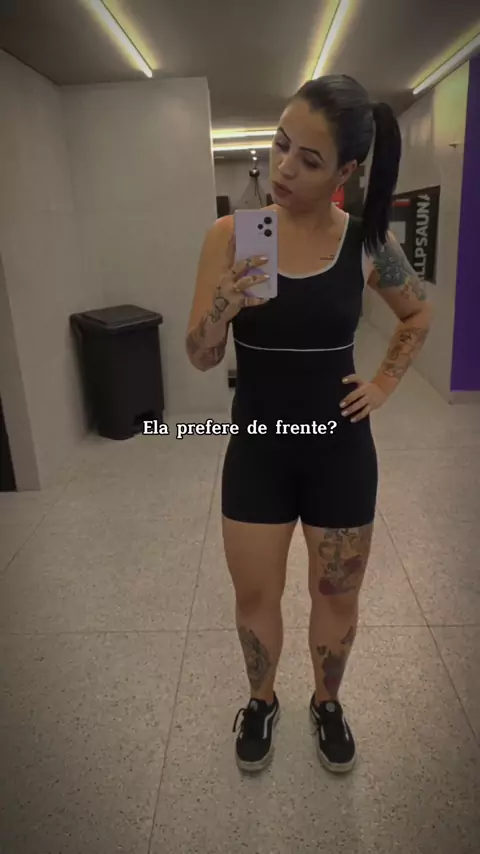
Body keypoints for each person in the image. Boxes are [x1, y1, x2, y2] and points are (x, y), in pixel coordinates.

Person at [186, 75, 433, 775]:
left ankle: (327, 703)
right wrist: (222, 308)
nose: (285, 168)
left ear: (345, 172)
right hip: (258, 451)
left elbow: (418, 312)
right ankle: (261, 700)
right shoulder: (236, 236)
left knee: (336, 595)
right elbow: (201, 356)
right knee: (255, 594)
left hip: (339, 454)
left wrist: (383, 384)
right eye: (281, 144)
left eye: (310, 159)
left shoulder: (364, 243)